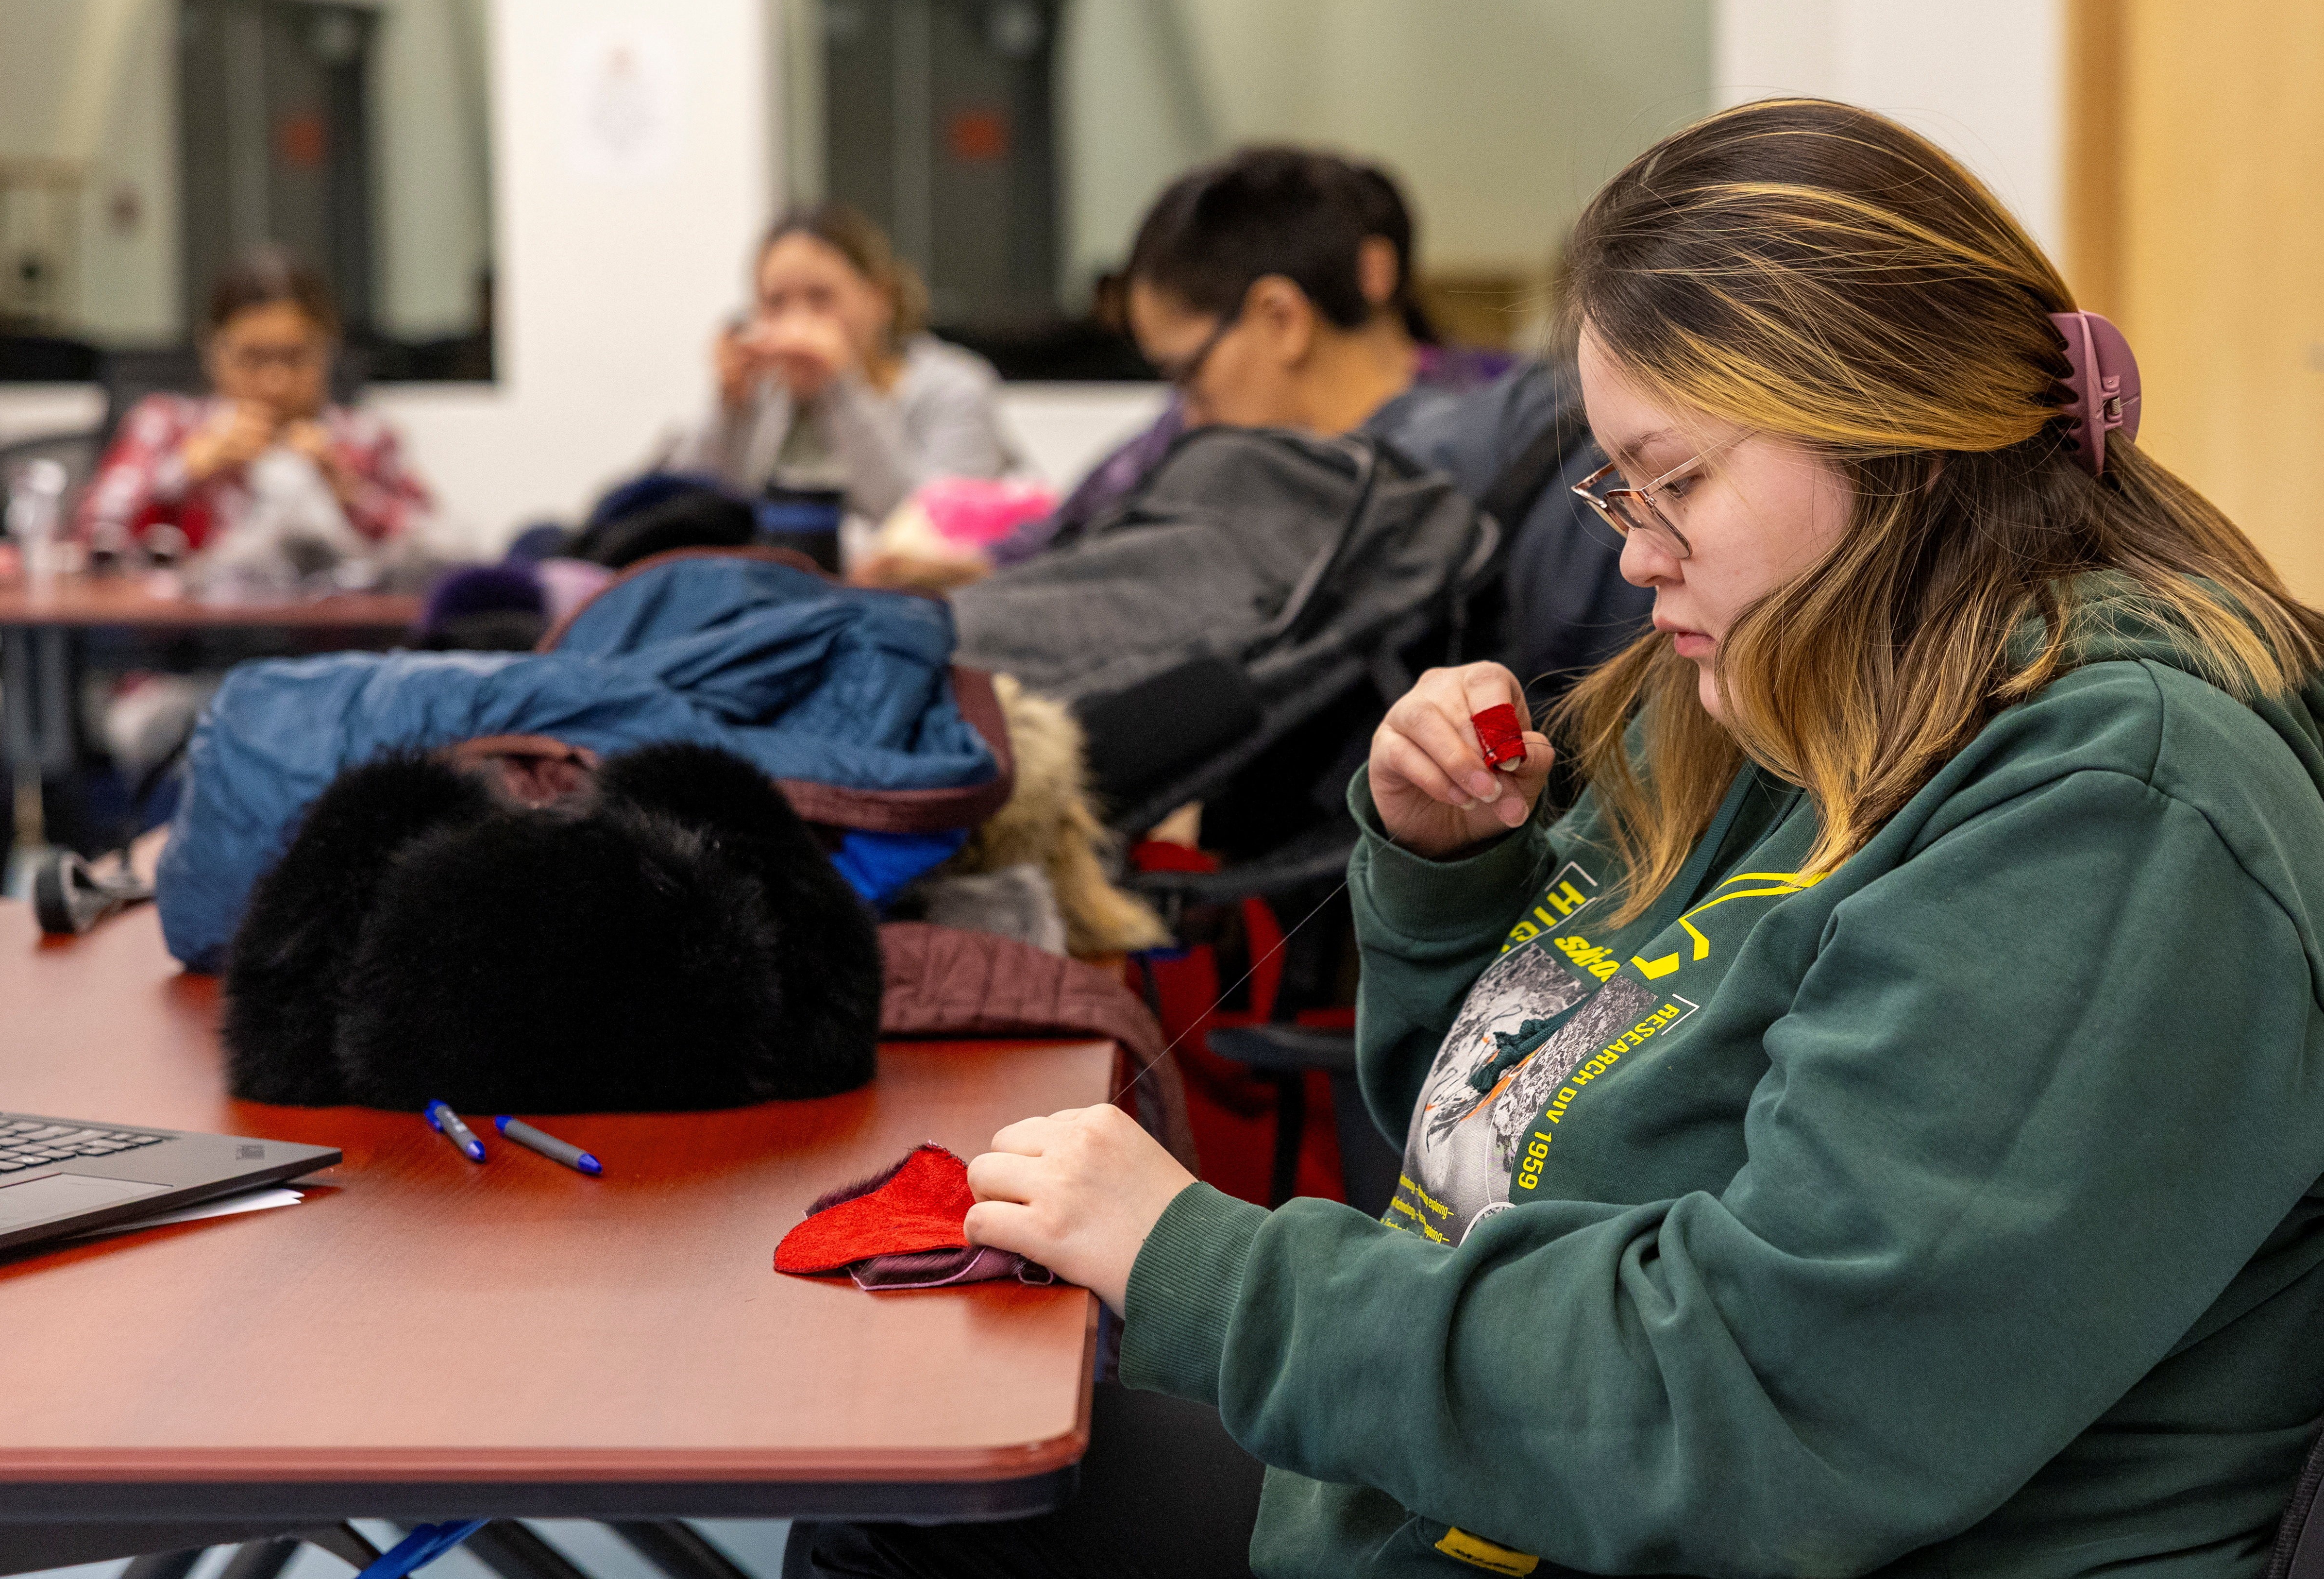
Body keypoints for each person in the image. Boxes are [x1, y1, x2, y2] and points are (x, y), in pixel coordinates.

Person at [789, 99, 2324, 1578]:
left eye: (1675, 481)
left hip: (1683, 1504)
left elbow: (1740, 1419)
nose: (1633, 554)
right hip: (1524, 1496)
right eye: (1616, 484)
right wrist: (1454, 892)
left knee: (922, 1494)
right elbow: (1496, 1166)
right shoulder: (1765, 695)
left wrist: (1208, 1268)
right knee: (912, 1475)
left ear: (1896, 438)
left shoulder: (2115, 816)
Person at [979, 147, 1482, 573]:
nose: (1188, 412)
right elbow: (1055, 542)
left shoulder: (1485, 458)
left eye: (1189, 373)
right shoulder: (1188, 435)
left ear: (1280, 319)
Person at [663, 203, 1022, 556]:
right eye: (775, 304)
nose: (798, 323)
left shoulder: (955, 390)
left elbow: (928, 533)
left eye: (821, 299)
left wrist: (840, 387)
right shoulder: (764, 394)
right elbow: (688, 522)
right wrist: (727, 405)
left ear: (879, 298)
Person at [81, 247, 431, 560]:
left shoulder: (366, 438)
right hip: (189, 630)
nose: (275, 382)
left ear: (326, 351)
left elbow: (437, 550)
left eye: (295, 357)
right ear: (213, 351)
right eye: (253, 358)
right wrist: (186, 470)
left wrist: (348, 490)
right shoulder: (166, 423)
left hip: (330, 627)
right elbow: (90, 534)